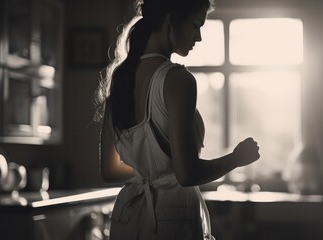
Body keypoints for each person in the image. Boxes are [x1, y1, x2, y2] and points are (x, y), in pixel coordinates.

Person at [94, 0, 260, 239]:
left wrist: (149, 173)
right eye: (195, 25)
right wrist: (236, 158)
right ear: (172, 20)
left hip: (127, 217)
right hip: (172, 217)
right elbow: (187, 174)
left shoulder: (120, 80)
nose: (199, 37)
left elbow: (109, 170)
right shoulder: (177, 80)